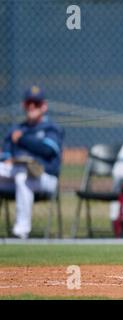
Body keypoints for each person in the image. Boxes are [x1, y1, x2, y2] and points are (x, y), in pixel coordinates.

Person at [0, 85, 64, 239]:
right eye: (28, 103)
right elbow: (5, 154)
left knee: (23, 176)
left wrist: (22, 139)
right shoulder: (16, 128)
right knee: (20, 174)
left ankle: (21, 231)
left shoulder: (51, 128)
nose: (31, 106)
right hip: (15, 175)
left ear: (44, 106)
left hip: (45, 178)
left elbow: (47, 150)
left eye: (35, 103)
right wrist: (6, 159)